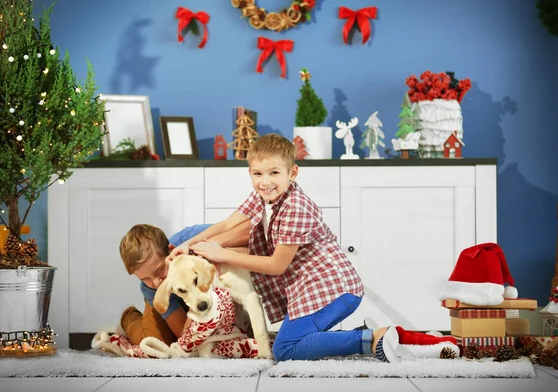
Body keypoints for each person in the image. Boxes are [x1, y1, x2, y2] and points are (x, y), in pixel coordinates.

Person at [165, 134, 399, 362]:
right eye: (258, 174)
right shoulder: (263, 196)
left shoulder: (295, 208)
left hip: (335, 290)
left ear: (292, 173)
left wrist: (223, 254)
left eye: (274, 173)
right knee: (289, 342)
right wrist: (188, 245)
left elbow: (277, 265)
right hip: (309, 287)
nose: (265, 181)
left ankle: (370, 339)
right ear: (250, 173)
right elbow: (227, 223)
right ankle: (358, 333)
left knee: (285, 350)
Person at [118, 221, 250, 346]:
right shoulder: (151, 288)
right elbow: (184, 335)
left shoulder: (193, 238)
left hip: (200, 295)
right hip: (168, 302)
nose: (156, 282)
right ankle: (128, 317)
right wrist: (194, 294)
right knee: (155, 341)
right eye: (144, 278)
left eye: (159, 270)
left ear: (171, 250)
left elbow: (249, 231)